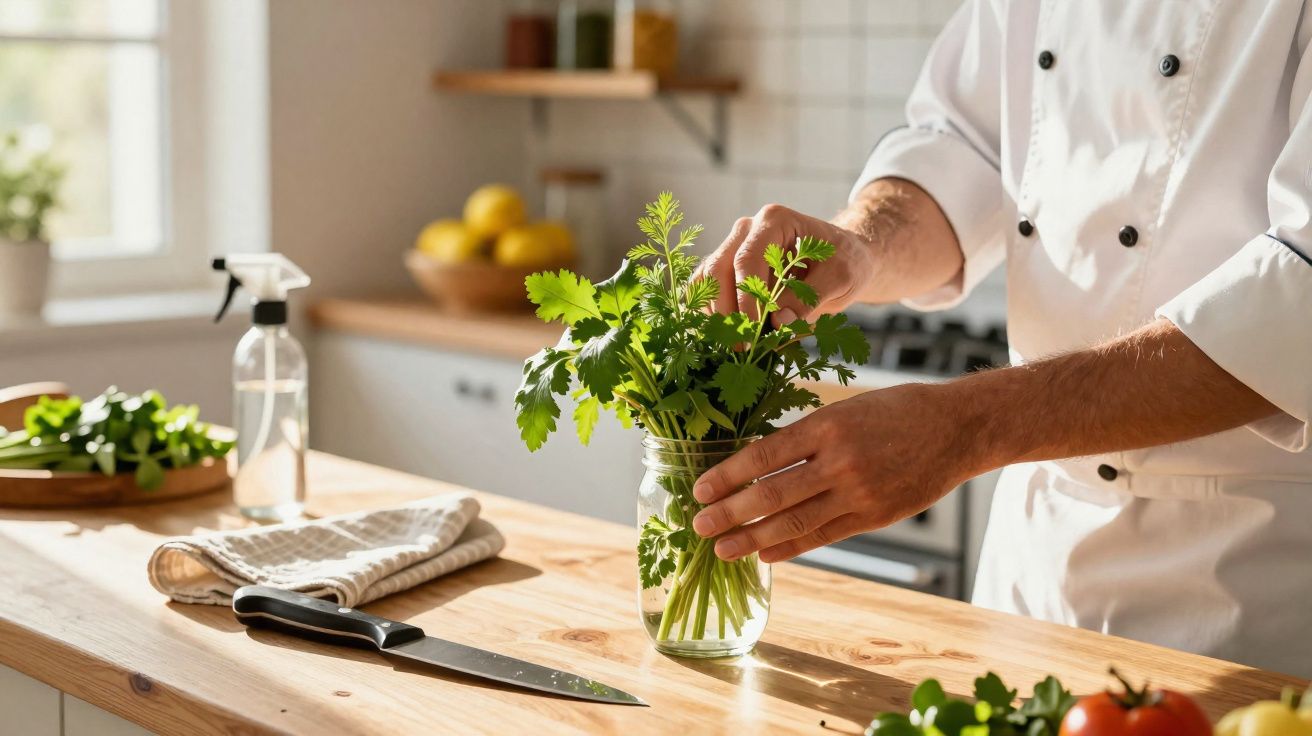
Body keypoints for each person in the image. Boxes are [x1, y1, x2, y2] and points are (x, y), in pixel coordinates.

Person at [689, 0, 1312, 676]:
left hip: (1243, 585)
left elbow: (1295, 302)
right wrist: (862, 245)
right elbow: (962, 149)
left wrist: (966, 429)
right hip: (1031, 570)